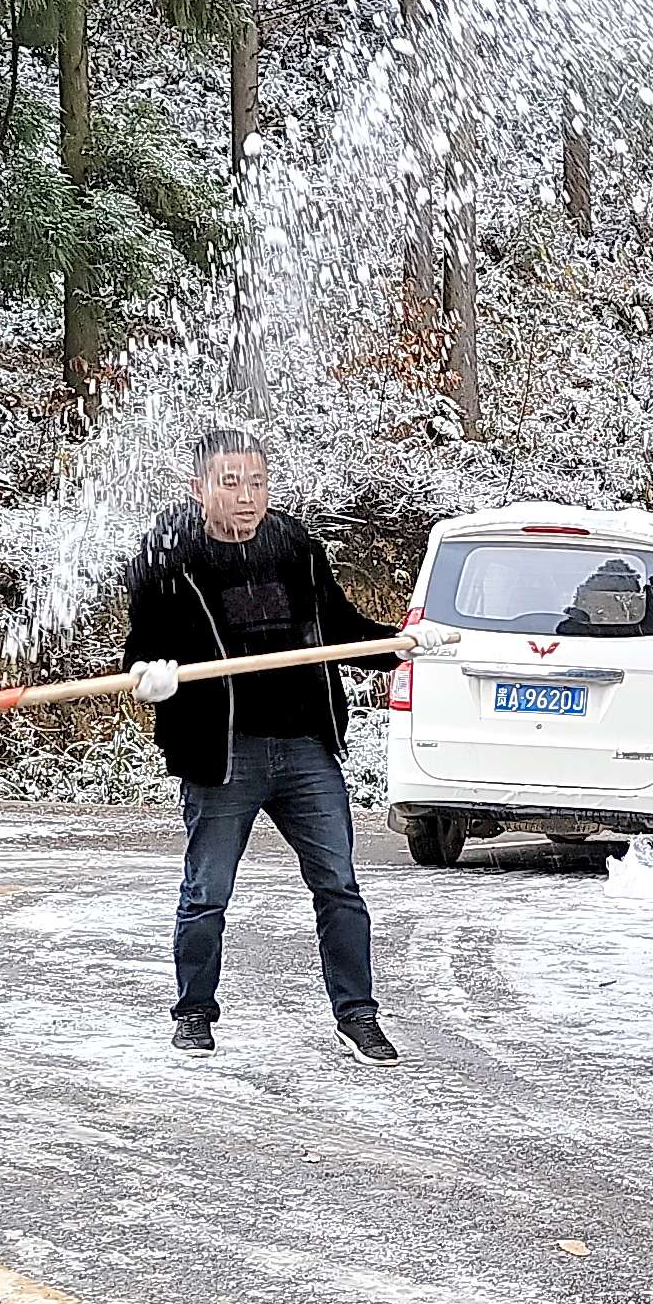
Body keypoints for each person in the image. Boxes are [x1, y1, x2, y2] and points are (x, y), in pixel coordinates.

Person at [122, 427, 409, 1064]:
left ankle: (358, 1016)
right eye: (230, 483)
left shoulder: (294, 547)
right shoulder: (166, 559)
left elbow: (339, 628)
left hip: (306, 748)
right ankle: (194, 1014)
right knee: (206, 894)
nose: (246, 496)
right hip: (225, 756)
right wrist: (154, 679)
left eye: (256, 481)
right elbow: (141, 653)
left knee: (339, 885)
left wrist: (400, 642)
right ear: (198, 488)